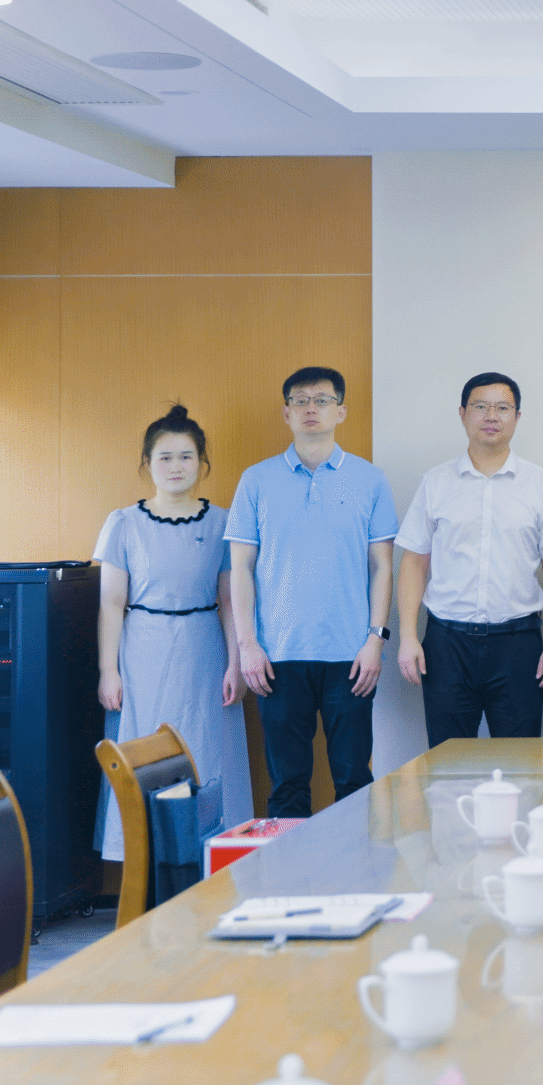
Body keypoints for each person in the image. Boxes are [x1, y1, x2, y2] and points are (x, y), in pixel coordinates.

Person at [226, 368, 398, 817]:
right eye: (300, 400)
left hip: (351, 655)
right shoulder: (256, 480)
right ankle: (289, 864)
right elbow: (240, 569)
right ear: (286, 413)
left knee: (354, 780)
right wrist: (247, 646)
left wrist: (375, 640)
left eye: (322, 400)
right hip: (276, 655)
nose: (310, 408)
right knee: (286, 786)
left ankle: (356, 862)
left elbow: (382, 566)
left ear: (340, 411)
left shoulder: (370, 479)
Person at [92, 404, 250, 858]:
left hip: (205, 648)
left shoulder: (224, 522)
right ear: (147, 463)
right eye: (165, 457)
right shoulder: (124, 522)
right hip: (143, 649)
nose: (176, 466)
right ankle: (145, 858)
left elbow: (230, 601)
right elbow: (111, 603)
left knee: (208, 747)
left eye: (186, 456)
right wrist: (108, 671)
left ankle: (212, 854)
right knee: (145, 745)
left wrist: (236, 664)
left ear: (202, 463)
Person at [395, 372, 543, 744]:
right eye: (481, 407)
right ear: (462, 414)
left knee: (520, 761)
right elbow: (414, 563)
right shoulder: (436, 482)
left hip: (519, 644)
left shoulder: (540, 485)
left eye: (502, 408)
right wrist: (408, 637)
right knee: (447, 762)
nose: (491, 416)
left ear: (517, 417)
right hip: (446, 644)